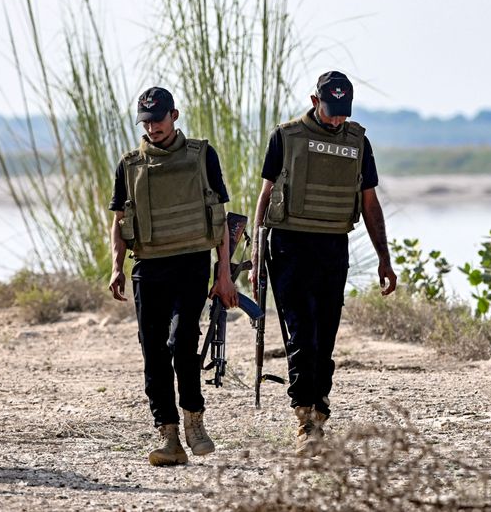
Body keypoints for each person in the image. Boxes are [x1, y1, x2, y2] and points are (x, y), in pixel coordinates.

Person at [249, 70, 397, 457]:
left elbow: (369, 203)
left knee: (325, 337)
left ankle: (320, 407)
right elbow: (264, 198)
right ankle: (306, 421)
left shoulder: (358, 141)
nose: (336, 120)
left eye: (342, 113)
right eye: (331, 111)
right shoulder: (286, 137)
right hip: (289, 246)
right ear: (315, 101)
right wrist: (255, 260)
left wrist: (384, 259)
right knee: (301, 334)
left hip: (332, 246)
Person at [108, 86, 237, 467]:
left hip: (192, 264)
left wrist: (224, 274)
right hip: (149, 267)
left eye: (158, 120)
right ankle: (169, 435)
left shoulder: (201, 156)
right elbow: (118, 220)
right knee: (153, 350)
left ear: (174, 115)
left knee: (182, 340)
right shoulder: (130, 164)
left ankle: (194, 420)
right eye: (145, 122)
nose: (152, 128)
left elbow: (220, 220)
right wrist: (117, 266)